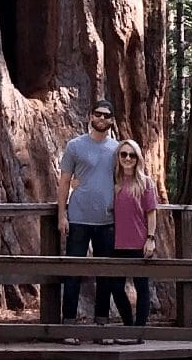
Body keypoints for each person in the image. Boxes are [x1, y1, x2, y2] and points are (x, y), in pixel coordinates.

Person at [57, 99, 118, 345]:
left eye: (106, 115)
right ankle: (68, 326)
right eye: (97, 114)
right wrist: (62, 214)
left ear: (112, 120)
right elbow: (64, 181)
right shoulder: (75, 146)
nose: (101, 119)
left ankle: (101, 326)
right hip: (79, 218)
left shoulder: (117, 149)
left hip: (107, 220)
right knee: (73, 272)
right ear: (90, 115)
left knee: (106, 274)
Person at [108, 139, 158, 344]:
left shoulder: (145, 183)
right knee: (116, 287)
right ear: (118, 158)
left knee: (142, 287)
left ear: (138, 158)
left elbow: (151, 212)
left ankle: (139, 333)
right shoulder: (113, 182)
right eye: (124, 154)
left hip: (139, 243)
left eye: (132, 155)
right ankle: (129, 326)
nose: (128, 158)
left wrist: (150, 239)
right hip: (116, 243)